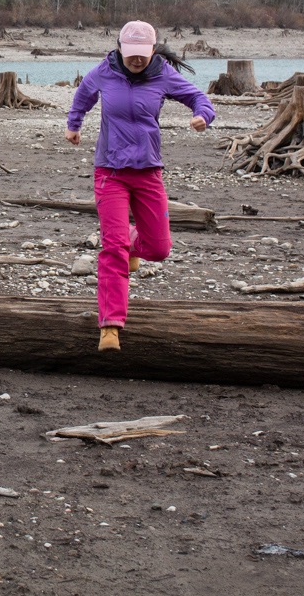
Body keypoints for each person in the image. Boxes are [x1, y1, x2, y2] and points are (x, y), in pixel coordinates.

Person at [65, 20, 214, 352]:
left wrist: (203, 116)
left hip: (148, 171)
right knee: (112, 248)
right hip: (110, 172)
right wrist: (74, 125)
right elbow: (83, 95)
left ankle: (133, 243)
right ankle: (110, 326)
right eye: (130, 54)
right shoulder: (105, 70)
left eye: (142, 55)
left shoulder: (163, 74)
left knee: (159, 249)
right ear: (120, 48)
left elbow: (197, 97)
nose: (136, 60)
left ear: (152, 49)